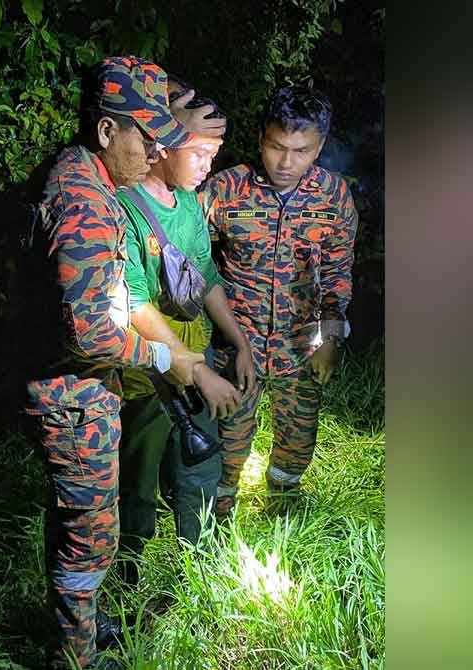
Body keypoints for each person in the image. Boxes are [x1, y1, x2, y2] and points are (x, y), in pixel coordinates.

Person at [23, 55, 204, 670]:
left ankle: (78, 624)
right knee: (91, 538)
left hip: (77, 392)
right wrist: (164, 356)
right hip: (74, 400)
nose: (157, 154)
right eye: (147, 139)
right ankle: (77, 658)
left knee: (76, 524)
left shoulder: (89, 180)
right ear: (107, 130)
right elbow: (89, 331)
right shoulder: (84, 201)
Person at [198, 85, 358, 520]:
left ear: (319, 147)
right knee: (229, 437)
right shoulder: (226, 190)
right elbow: (193, 261)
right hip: (237, 343)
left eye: (301, 150)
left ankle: (283, 510)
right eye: (276, 147)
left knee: (297, 437)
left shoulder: (333, 197)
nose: (286, 163)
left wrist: (330, 339)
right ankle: (217, 521)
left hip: (301, 345)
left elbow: (338, 275)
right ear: (260, 138)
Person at [115, 91, 254, 585]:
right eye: (198, 153)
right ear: (162, 145)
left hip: (195, 351)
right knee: (137, 472)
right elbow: (134, 304)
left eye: (213, 156)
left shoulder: (190, 203)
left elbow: (206, 277)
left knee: (200, 461)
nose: (206, 166)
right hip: (146, 368)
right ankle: (126, 571)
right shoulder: (124, 207)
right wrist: (194, 370)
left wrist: (238, 343)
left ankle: (201, 565)